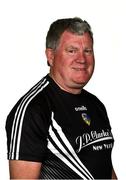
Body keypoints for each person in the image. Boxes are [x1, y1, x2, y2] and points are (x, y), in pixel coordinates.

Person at [5, 17, 117, 179]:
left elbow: (104, 167)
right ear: (50, 56)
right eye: (71, 50)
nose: (82, 59)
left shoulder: (96, 105)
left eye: (88, 51)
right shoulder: (32, 110)